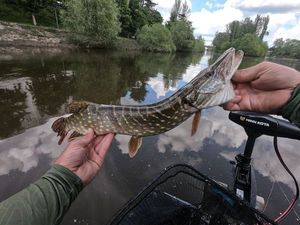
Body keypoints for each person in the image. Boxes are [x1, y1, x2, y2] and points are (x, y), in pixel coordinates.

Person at [0, 62, 299, 225]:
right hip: (96, 120)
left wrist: (292, 95)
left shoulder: (189, 105)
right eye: (209, 74)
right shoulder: (187, 103)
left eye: (210, 74)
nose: (217, 73)